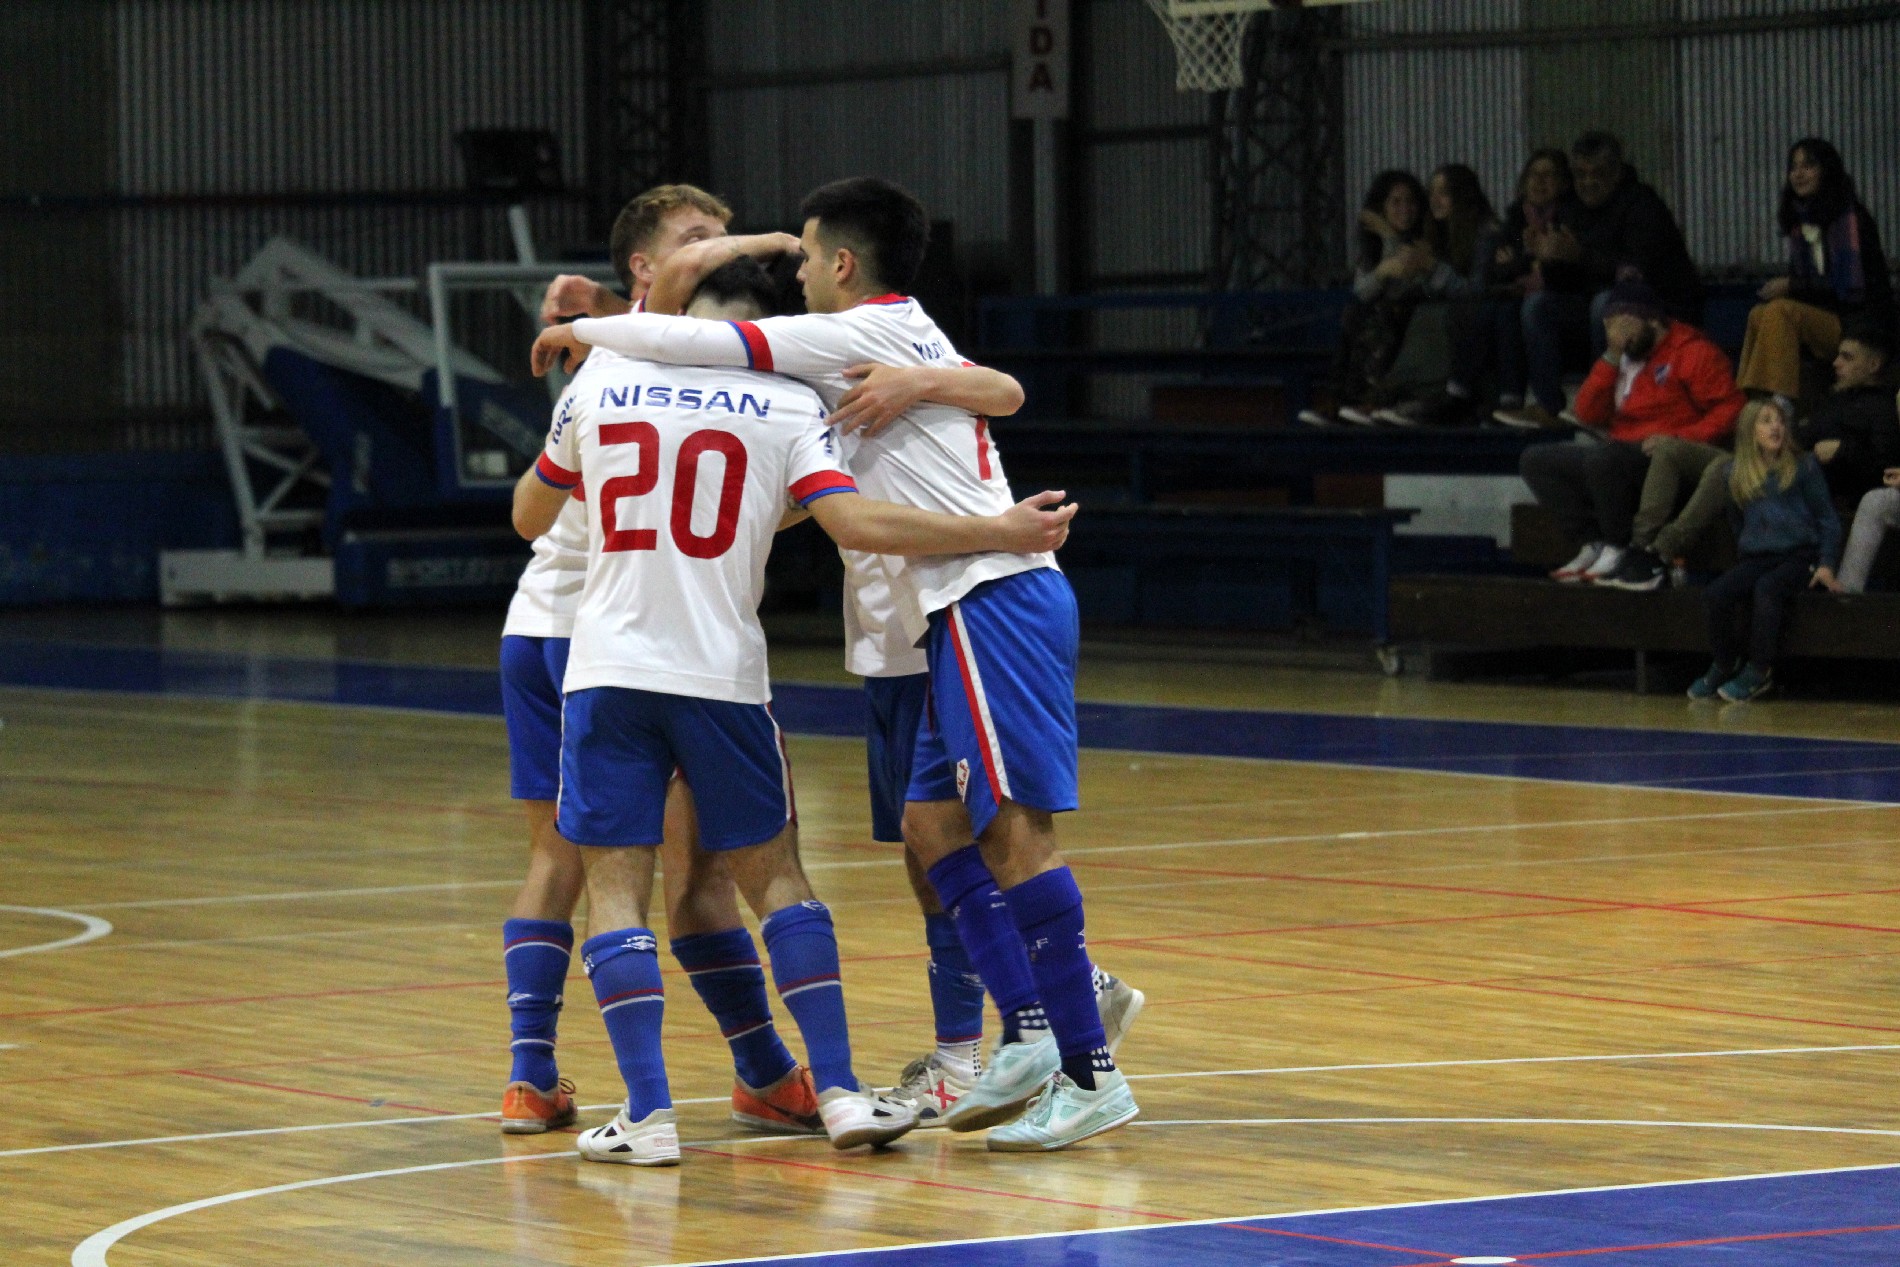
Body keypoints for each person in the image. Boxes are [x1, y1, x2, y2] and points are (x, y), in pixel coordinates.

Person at [535, 176, 1142, 1152]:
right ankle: (1027, 1033)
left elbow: (690, 342)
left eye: (806, 255)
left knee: (1016, 834)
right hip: (944, 607)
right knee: (931, 831)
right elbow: (1008, 390)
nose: (793, 270)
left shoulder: (830, 338)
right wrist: (926, 380)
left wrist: (586, 335)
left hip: (991, 586)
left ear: (844, 265)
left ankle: (1090, 1067)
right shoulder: (896, 333)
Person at [1526, 277, 1743, 584]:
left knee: (1604, 459)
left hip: (1667, 457)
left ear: (1651, 319)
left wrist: (1679, 440)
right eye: (1610, 326)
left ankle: (1621, 546)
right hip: (1621, 451)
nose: (1617, 335)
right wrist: (1611, 356)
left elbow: (1730, 409)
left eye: (1624, 324)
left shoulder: (1692, 352)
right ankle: (1594, 541)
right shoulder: (1623, 357)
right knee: (1537, 460)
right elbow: (1588, 412)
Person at [1496, 131, 1703, 430]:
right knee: (1537, 306)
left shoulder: (1642, 206)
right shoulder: (1572, 210)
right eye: (1580, 174)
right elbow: (1567, 280)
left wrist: (1578, 255)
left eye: (1598, 173)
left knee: (1605, 306)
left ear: (1617, 172)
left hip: (1661, 309)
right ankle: (1548, 407)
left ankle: (1605, 405)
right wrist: (1547, 258)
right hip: (1598, 307)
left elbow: (1633, 276)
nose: (1588, 182)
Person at [1688, 399, 1842, 702]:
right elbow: (1737, 522)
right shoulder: (1734, 472)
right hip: (1758, 556)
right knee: (1716, 594)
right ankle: (1724, 662)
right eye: (1766, 420)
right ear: (1749, 431)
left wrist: (1826, 563)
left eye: (1780, 420)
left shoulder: (1804, 466)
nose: (1776, 427)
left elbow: (1828, 520)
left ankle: (1759, 671)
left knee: (1767, 588)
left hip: (1800, 555)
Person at [1735, 139, 1893, 404]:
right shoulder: (1801, 223)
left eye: (1808, 165)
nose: (1798, 174)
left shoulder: (1848, 219)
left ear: (1826, 170)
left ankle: (1780, 404)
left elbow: (1850, 288)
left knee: (1780, 311)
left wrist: (1791, 285)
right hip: (1827, 317)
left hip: (1857, 322)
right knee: (1759, 314)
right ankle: (1752, 402)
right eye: (1793, 167)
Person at [1373, 163, 1505, 427]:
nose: (1434, 200)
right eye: (1431, 192)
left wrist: (1432, 268)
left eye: (1443, 192)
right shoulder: (1437, 233)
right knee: (1386, 310)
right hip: (1451, 312)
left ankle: (1409, 395)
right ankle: (1372, 394)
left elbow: (1476, 293)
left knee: (1431, 318)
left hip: (1483, 318)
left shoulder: (1486, 233)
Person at [1299, 170, 1433, 426]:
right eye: (1396, 202)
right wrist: (1384, 264)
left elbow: (1404, 285)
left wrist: (1390, 239)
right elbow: (1363, 290)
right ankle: (1342, 402)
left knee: (1377, 314)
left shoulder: (1425, 241)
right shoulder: (1374, 246)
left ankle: (1370, 401)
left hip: (1416, 318)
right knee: (1356, 313)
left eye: (1411, 202)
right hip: (1383, 318)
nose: (1405, 209)